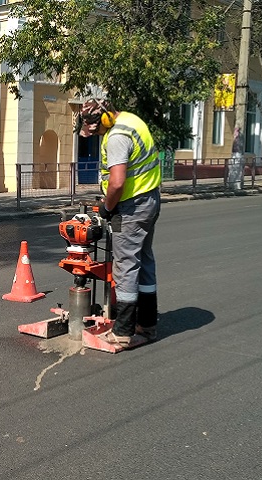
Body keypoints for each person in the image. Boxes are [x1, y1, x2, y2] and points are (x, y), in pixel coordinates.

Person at [77, 98, 162, 350]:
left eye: (96, 129)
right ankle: (146, 323)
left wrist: (106, 207)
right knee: (144, 260)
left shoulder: (116, 136)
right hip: (149, 200)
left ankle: (122, 332)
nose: (97, 134)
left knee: (125, 264)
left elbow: (116, 182)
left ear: (104, 119)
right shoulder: (132, 120)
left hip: (131, 207)